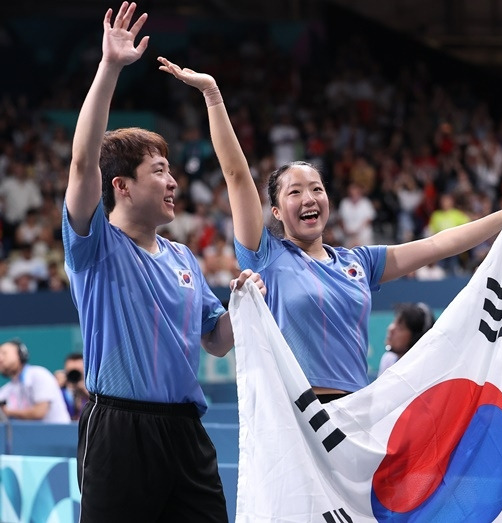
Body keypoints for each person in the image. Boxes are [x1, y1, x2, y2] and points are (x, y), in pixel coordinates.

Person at [158, 56, 502, 405]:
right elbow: (237, 177)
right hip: (295, 416)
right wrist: (212, 95)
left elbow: (437, 244)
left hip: (355, 412)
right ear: (275, 210)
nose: (309, 198)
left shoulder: (359, 262)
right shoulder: (265, 254)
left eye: (317, 189)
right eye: (295, 191)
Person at [63, 4, 265, 522]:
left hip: (186, 434)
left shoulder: (184, 258)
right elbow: (84, 161)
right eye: (159, 170)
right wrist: (110, 67)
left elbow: (216, 343)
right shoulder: (95, 244)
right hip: (120, 431)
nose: (173, 181)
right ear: (122, 186)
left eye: (171, 170)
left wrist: (245, 305)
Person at [0, 339, 71, 423]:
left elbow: (39, 412)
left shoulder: (39, 374)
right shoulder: (7, 389)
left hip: (59, 434)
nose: (0, 359)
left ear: (21, 354)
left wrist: (8, 412)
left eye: (4, 353)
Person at [377, 302, 434, 377]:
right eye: (394, 322)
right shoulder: (388, 359)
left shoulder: (426, 371)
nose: (391, 329)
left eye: (400, 328)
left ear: (416, 338)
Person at [59, 351, 89, 420]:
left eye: (78, 371)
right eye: (71, 372)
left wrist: (88, 395)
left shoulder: (93, 395)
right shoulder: (58, 392)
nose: (75, 375)